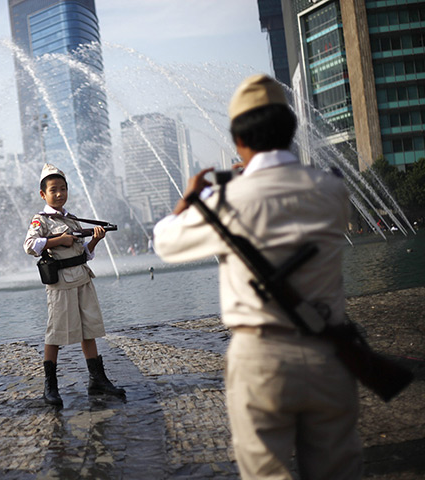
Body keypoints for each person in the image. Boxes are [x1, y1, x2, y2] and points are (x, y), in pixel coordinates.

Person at [153, 75, 362, 479]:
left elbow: (164, 243)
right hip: (330, 352)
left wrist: (191, 199)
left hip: (262, 358)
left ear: (237, 140)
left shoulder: (226, 200)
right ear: (290, 128)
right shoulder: (331, 190)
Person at [24, 164, 125, 406]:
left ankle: (97, 380)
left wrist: (95, 241)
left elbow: (84, 254)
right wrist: (59, 239)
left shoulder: (72, 219)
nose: (59, 194)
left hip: (82, 278)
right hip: (60, 283)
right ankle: (51, 386)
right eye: (53, 190)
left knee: (89, 330)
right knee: (55, 334)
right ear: (43, 194)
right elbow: (29, 245)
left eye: (63, 189)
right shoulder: (41, 220)